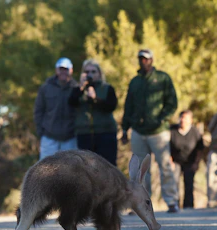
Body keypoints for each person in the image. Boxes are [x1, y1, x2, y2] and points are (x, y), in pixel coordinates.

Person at [121, 49, 179, 213]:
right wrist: (125, 129)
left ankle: (171, 201)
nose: (143, 62)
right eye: (141, 59)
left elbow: (172, 102)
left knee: (165, 166)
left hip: (158, 132)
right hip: (138, 131)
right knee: (139, 171)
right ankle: (140, 203)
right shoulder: (135, 82)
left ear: (152, 60)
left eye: (146, 59)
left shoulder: (162, 78)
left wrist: (162, 118)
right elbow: (128, 106)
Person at [68, 59, 118, 165]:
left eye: (93, 71)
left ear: (99, 73)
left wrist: (95, 99)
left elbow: (111, 106)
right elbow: (71, 102)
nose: (90, 74)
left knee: (107, 167)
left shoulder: (107, 88)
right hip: (84, 133)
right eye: (87, 71)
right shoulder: (78, 89)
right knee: (85, 169)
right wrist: (81, 87)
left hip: (105, 133)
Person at [34, 57, 78, 160]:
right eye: (61, 69)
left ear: (71, 70)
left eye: (66, 69)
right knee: (45, 171)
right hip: (49, 137)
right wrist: (41, 131)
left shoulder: (76, 88)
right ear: (56, 70)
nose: (63, 72)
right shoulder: (45, 88)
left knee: (70, 171)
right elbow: (38, 110)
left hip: (70, 138)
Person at [170, 110, 204, 209]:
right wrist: (169, 160)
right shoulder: (172, 130)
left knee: (189, 183)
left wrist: (196, 163)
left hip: (190, 161)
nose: (182, 120)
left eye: (185, 118)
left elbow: (200, 149)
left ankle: (188, 207)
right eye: (181, 117)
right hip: (175, 160)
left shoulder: (195, 132)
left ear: (191, 120)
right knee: (174, 182)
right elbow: (166, 147)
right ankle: (174, 204)